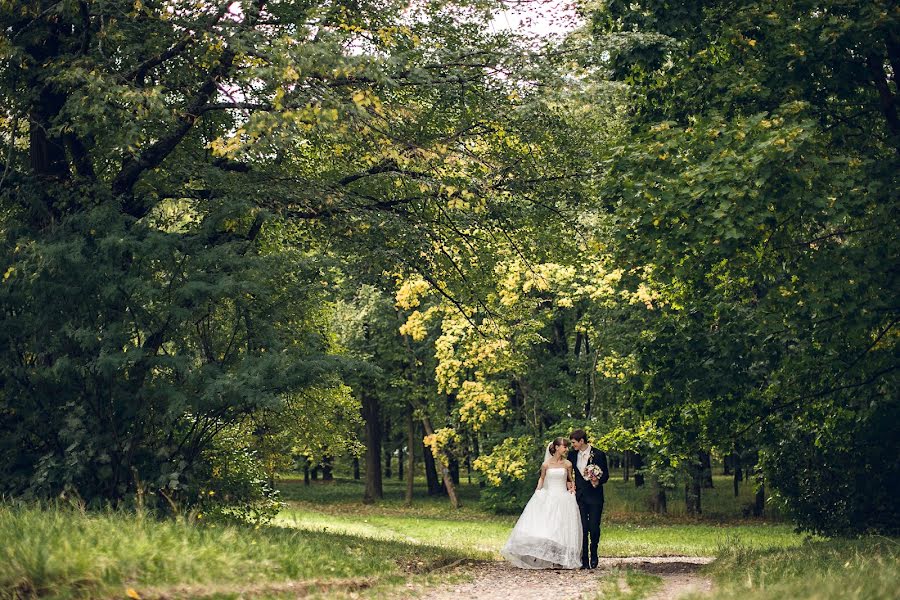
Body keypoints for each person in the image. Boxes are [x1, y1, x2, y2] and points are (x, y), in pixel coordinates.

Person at [500, 437, 582, 569]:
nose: (566, 449)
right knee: (547, 527)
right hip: (549, 496)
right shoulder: (546, 464)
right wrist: (538, 492)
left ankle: (559, 559)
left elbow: (569, 479)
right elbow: (542, 479)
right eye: (564, 446)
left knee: (560, 527)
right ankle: (545, 556)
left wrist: (572, 487)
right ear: (556, 447)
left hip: (563, 498)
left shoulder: (567, 464)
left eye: (567, 446)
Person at [568, 429, 610, 569]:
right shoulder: (572, 455)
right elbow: (569, 473)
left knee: (593, 527)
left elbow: (606, 476)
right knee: (583, 528)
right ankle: (584, 559)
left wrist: (597, 480)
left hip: (595, 496)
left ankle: (594, 554)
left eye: (574, 442)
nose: (572, 445)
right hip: (579, 496)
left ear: (581, 441)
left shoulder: (598, 454)